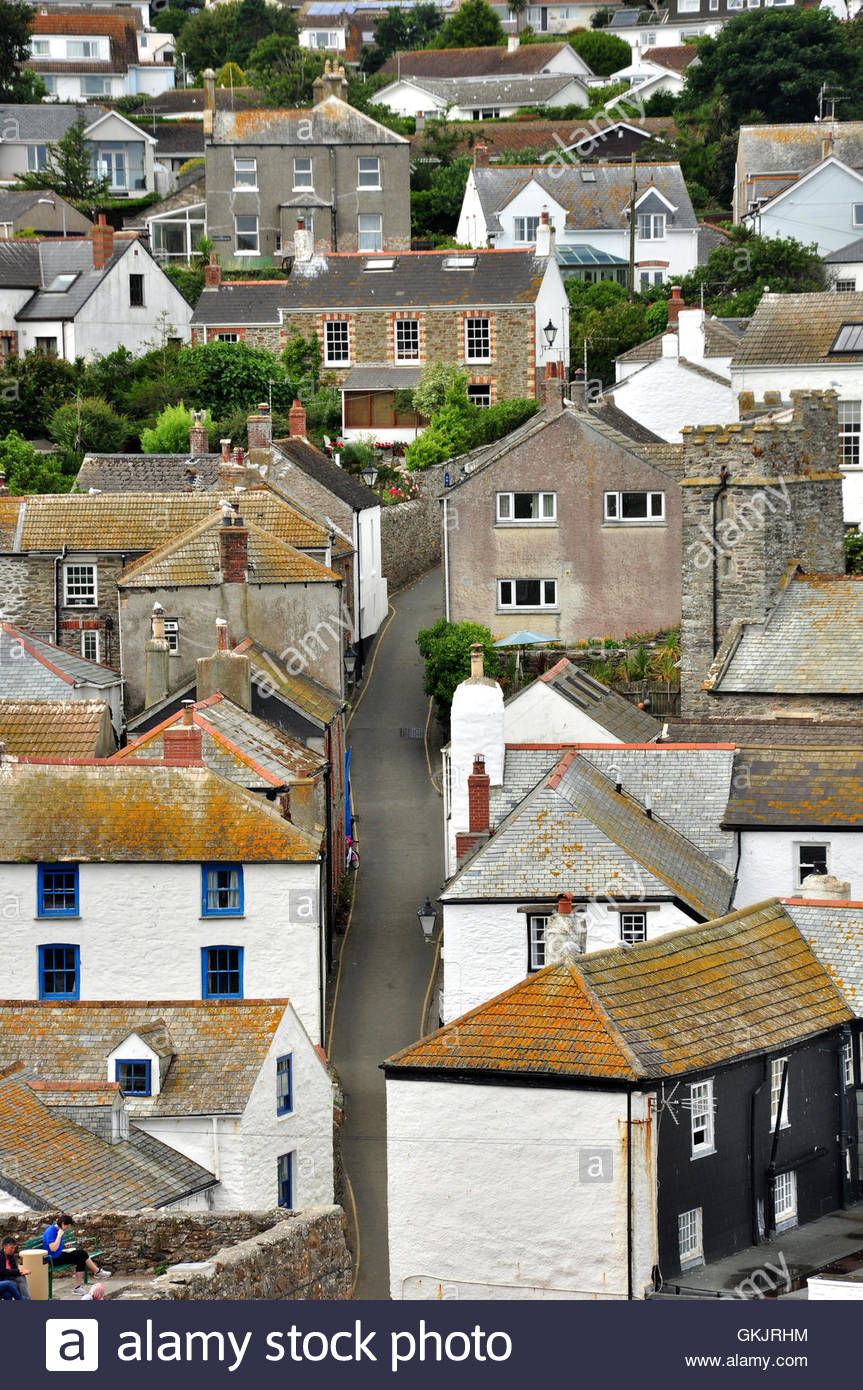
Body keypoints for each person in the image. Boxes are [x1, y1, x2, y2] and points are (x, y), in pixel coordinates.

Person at [41, 1216, 110, 1294]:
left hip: (58, 1255)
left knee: (81, 1256)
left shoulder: (58, 1229)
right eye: (67, 1226)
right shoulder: (51, 1231)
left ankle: (80, 1286)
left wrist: (65, 1246)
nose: (67, 1228)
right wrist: (59, 1235)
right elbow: (53, 1248)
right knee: (82, 1254)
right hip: (53, 1259)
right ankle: (96, 1273)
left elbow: (56, 1247)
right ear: (63, 1223)